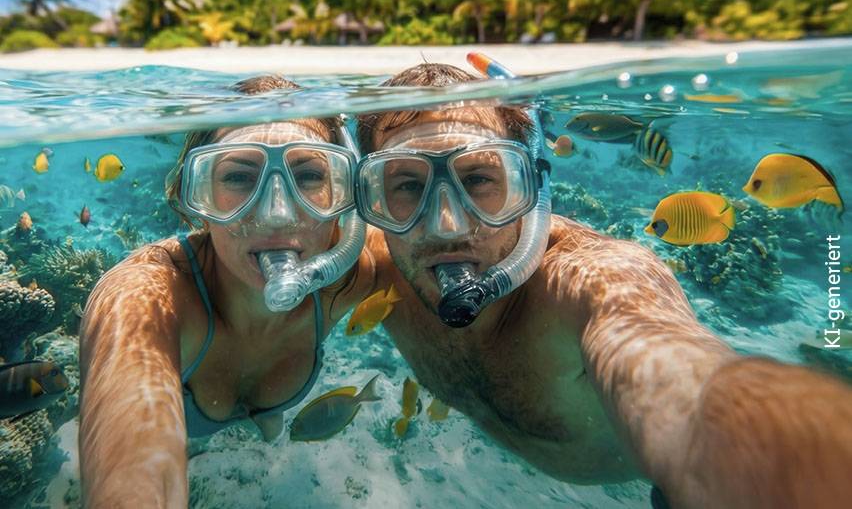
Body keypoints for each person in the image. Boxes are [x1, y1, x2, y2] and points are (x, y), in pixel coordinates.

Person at [354, 63, 852, 508]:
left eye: (480, 179)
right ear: (369, 198)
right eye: (407, 185)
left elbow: (685, 381)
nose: (446, 225)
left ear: (531, 187)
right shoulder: (377, 269)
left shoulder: (590, 281)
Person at [79, 76, 377, 508]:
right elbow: (131, 465)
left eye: (309, 175)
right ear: (195, 197)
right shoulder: (148, 296)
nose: (277, 215)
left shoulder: (356, 271)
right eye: (239, 177)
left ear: (343, 197)